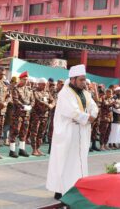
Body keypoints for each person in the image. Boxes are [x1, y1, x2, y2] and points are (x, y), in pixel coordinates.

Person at [46, 64, 98, 200]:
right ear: (73, 79)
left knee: (78, 161)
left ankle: (77, 187)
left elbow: (94, 107)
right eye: (81, 80)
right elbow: (72, 111)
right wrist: (88, 118)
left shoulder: (86, 93)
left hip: (81, 132)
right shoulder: (65, 93)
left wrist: (91, 116)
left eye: (84, 79)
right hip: (67, 133)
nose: (84, 82)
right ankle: (60, 189)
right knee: (64, 161)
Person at [9, 71, 34, 158]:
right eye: (24, 79)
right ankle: (12, 150)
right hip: (17, 114)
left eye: (26, 79)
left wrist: (30, 106)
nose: (26, 81)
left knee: (24, 132)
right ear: (20, 79)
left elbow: (32, 99)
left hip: (26, 114)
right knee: (15, 131)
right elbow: (15, 100)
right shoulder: (16, 89)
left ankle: (21, 149)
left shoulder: (29, 89)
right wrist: (23, 106)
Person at [30, 77, 55, 156]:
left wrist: (52, 105)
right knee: (34, 132)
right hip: (36, 115)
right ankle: (34, 149)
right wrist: (48, 105)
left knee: (41, 133)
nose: (44, 86)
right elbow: (38, 101)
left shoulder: (46, 92)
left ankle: (38, 148)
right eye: (43, 85)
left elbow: (53, 100)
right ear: (39, 84)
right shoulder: (35, 91)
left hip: (45, 115)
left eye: (45, 85)